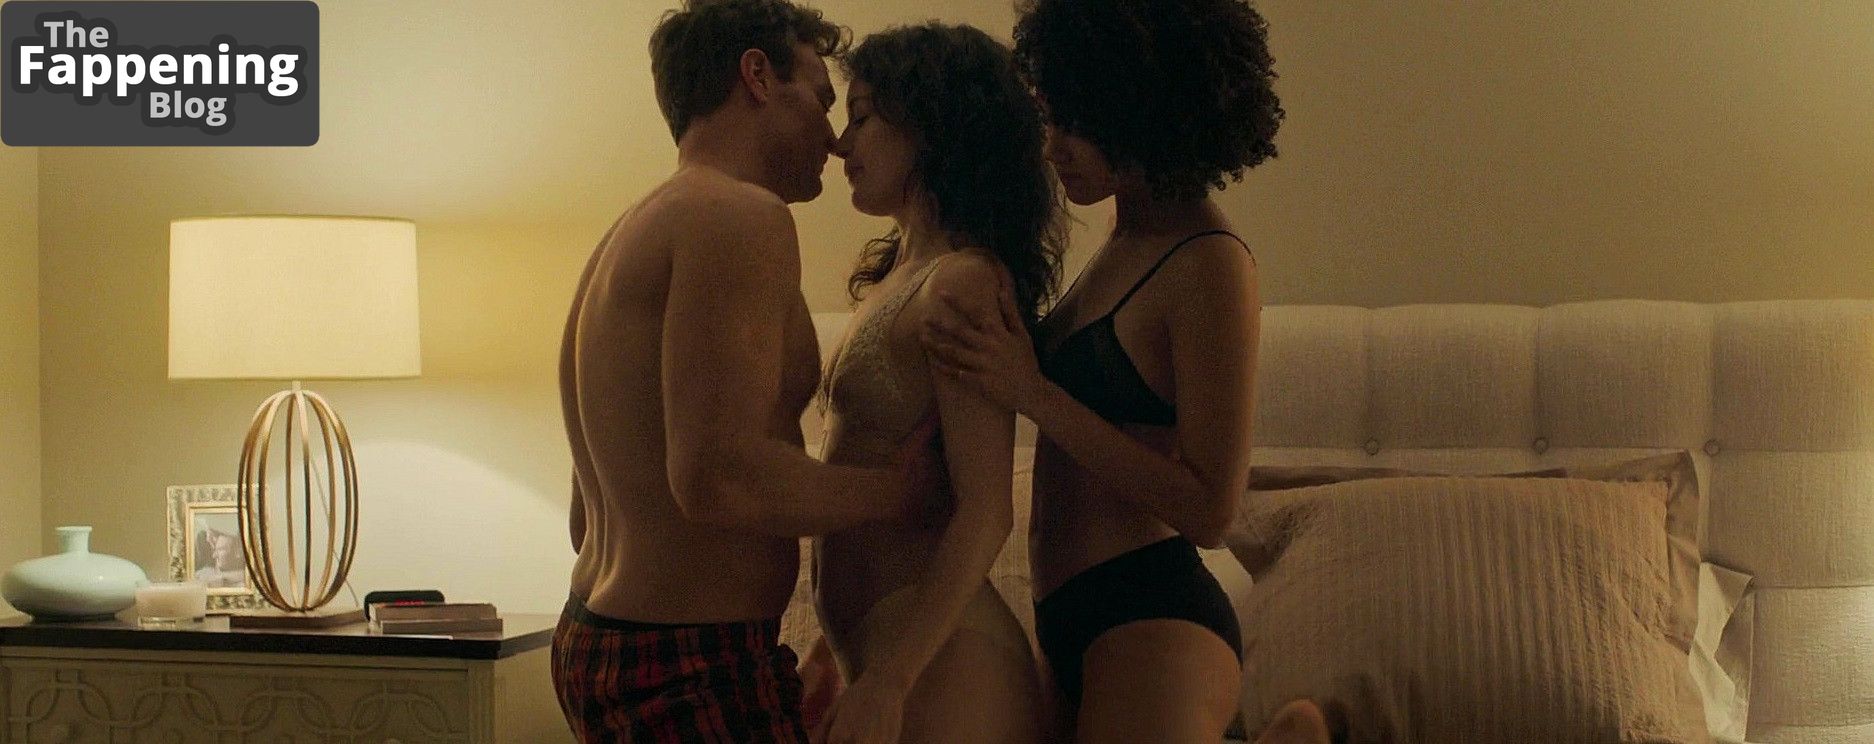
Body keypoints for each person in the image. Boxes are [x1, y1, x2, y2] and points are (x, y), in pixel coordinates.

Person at [921, 1, 1330, 742]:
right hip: (1063, 616)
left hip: (1150, 610)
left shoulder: (1210, 262)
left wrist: (1034, 392)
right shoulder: (1122, 237)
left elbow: (1211, 509)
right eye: (1050, 117)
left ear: (1145, 110)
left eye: (1077, 122)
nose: (1054, 147)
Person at [551, 2, 937, 742]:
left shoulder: (633, 227)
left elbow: (583, 516)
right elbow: (716, 476)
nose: (833, 139)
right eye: (821, 99)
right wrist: (898, 492)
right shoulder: (738, 216)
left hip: (603, 633)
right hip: (687, 659)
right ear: (757, 76)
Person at [806, 22, 1064, 744]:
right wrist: (830, 653)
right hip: (886, 652)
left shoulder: (963, 281)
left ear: (927, 129)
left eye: (861, 117)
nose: (840, 144)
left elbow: (985, 511)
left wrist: (891, 679)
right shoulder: (900, 277)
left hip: (947, 667)